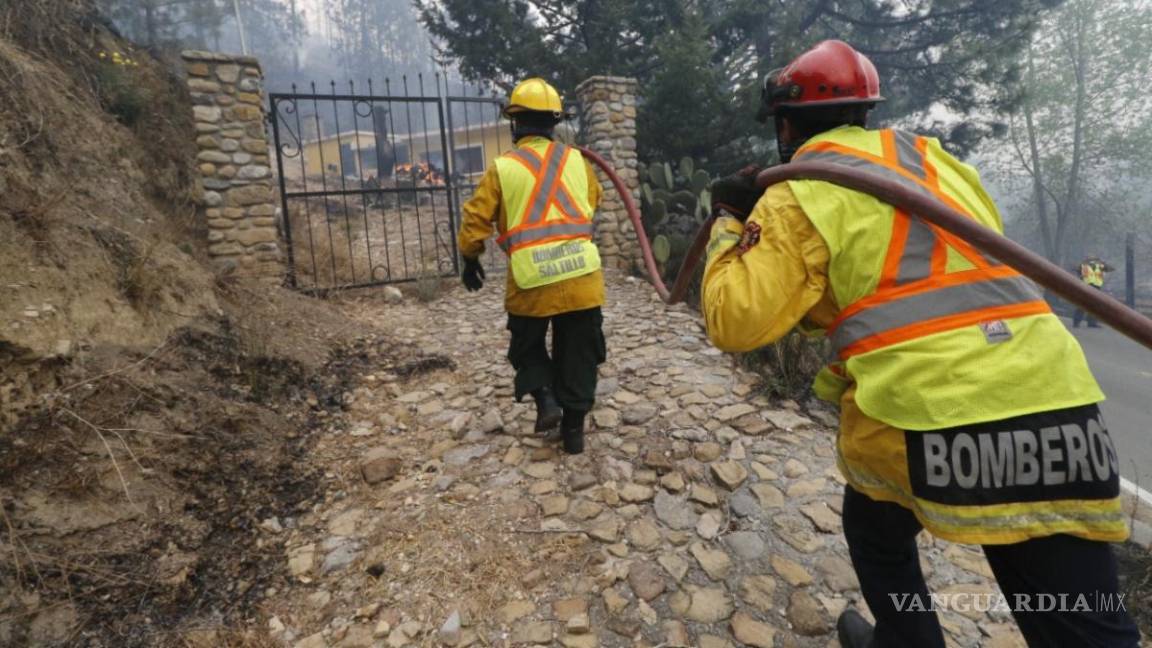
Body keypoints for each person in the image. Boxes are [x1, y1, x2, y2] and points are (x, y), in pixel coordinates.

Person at [701, 40, 1140, 648]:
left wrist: (729, 218)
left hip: (927, 410)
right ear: (865, 111)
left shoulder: (799, 190)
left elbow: (735, 320)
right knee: (1083, 624)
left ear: (784, 125)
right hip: (1059, 401)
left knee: (878, 534)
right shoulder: (936, 163)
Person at [456, 77, 606, 455]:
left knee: (527, 345)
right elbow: (594, 200)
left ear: (515, 123)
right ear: (555, 123)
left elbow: (475, 218)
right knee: (580, 352)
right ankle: (573, 431)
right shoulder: (577, 160)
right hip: (580, 279)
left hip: (531, 281)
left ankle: (545, 398)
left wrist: (470, 257)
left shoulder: (502, 168)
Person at [1073, 255, 1114, 328]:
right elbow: (1110, 268)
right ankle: (1079, 322)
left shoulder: (1098, 266)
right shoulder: (1085, 265)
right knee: (1085, 304)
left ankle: (1086, 322)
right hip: (1088, 286)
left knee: (1092, 305)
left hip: (1094, 286)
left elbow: (1111, 268)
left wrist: (1102, 263)